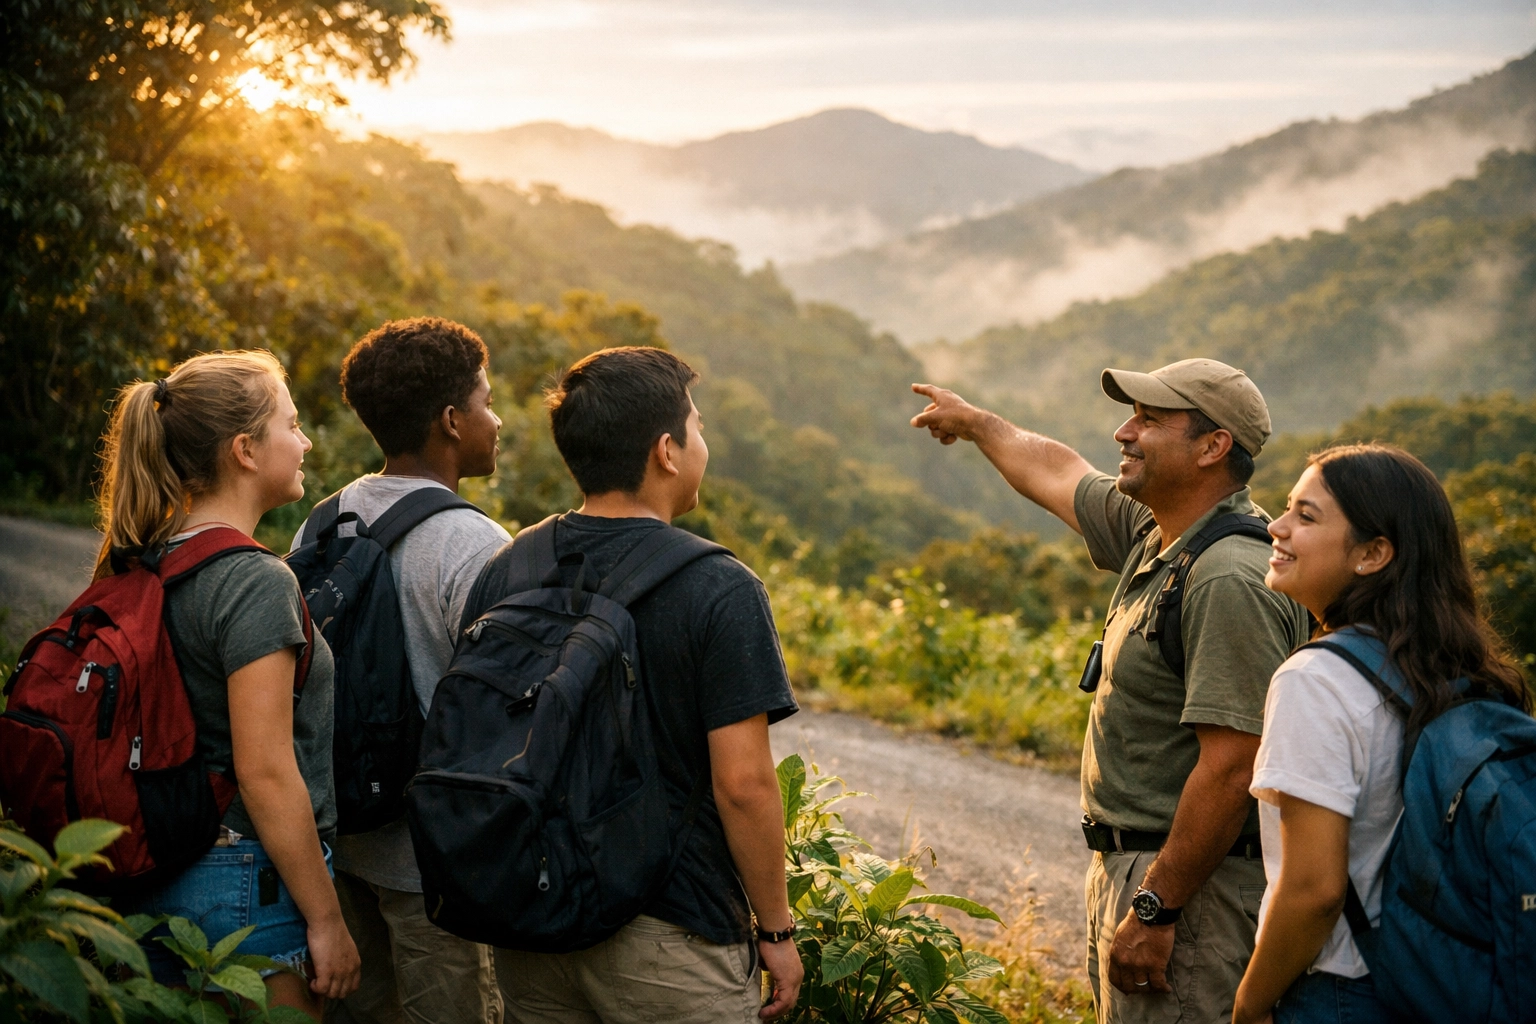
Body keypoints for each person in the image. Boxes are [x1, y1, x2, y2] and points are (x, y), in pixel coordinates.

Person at [911, 359, 1309, 1023]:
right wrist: (977, 424)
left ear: (1213, 447)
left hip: (1191, 894)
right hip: (1146, 877)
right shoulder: (1161, 535)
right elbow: (1057, 470)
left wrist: (1157, 907)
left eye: (1150, 420)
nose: (1124, 432)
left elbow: (1235, 764)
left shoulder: (1226, 577)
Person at [459, 346, 804, 1023]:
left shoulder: (508, 568)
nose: (703, 440)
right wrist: (777, 930)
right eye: (697, 426)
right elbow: (744, 786)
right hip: (674, 936)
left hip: (535, 917)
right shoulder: (719, 586)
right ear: (666, 452)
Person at [1232, 444, 1528, 1024]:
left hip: (1341, 991)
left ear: (1372, 554)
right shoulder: (1457, 672)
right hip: (1436, 981)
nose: (1278, 527)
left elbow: (1315, 890)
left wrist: (1248, 1005)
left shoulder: (1315, 679)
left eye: (1306, 516)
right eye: (1286, 509)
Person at [103, 350, 360, 1018]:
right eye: (292, 424)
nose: (304, 442)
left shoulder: (140, 559)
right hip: (244, 885)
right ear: (245, 449)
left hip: (147, 870)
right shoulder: (254, 580)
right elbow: (266, 771)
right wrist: (328, 920)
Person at [291, 318, 508, 1024]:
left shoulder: (326, 520)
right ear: (451, 420)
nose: (496, 419)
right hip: (434, 875)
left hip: (341, 844)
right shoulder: (476, 547)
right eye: (486, 400)